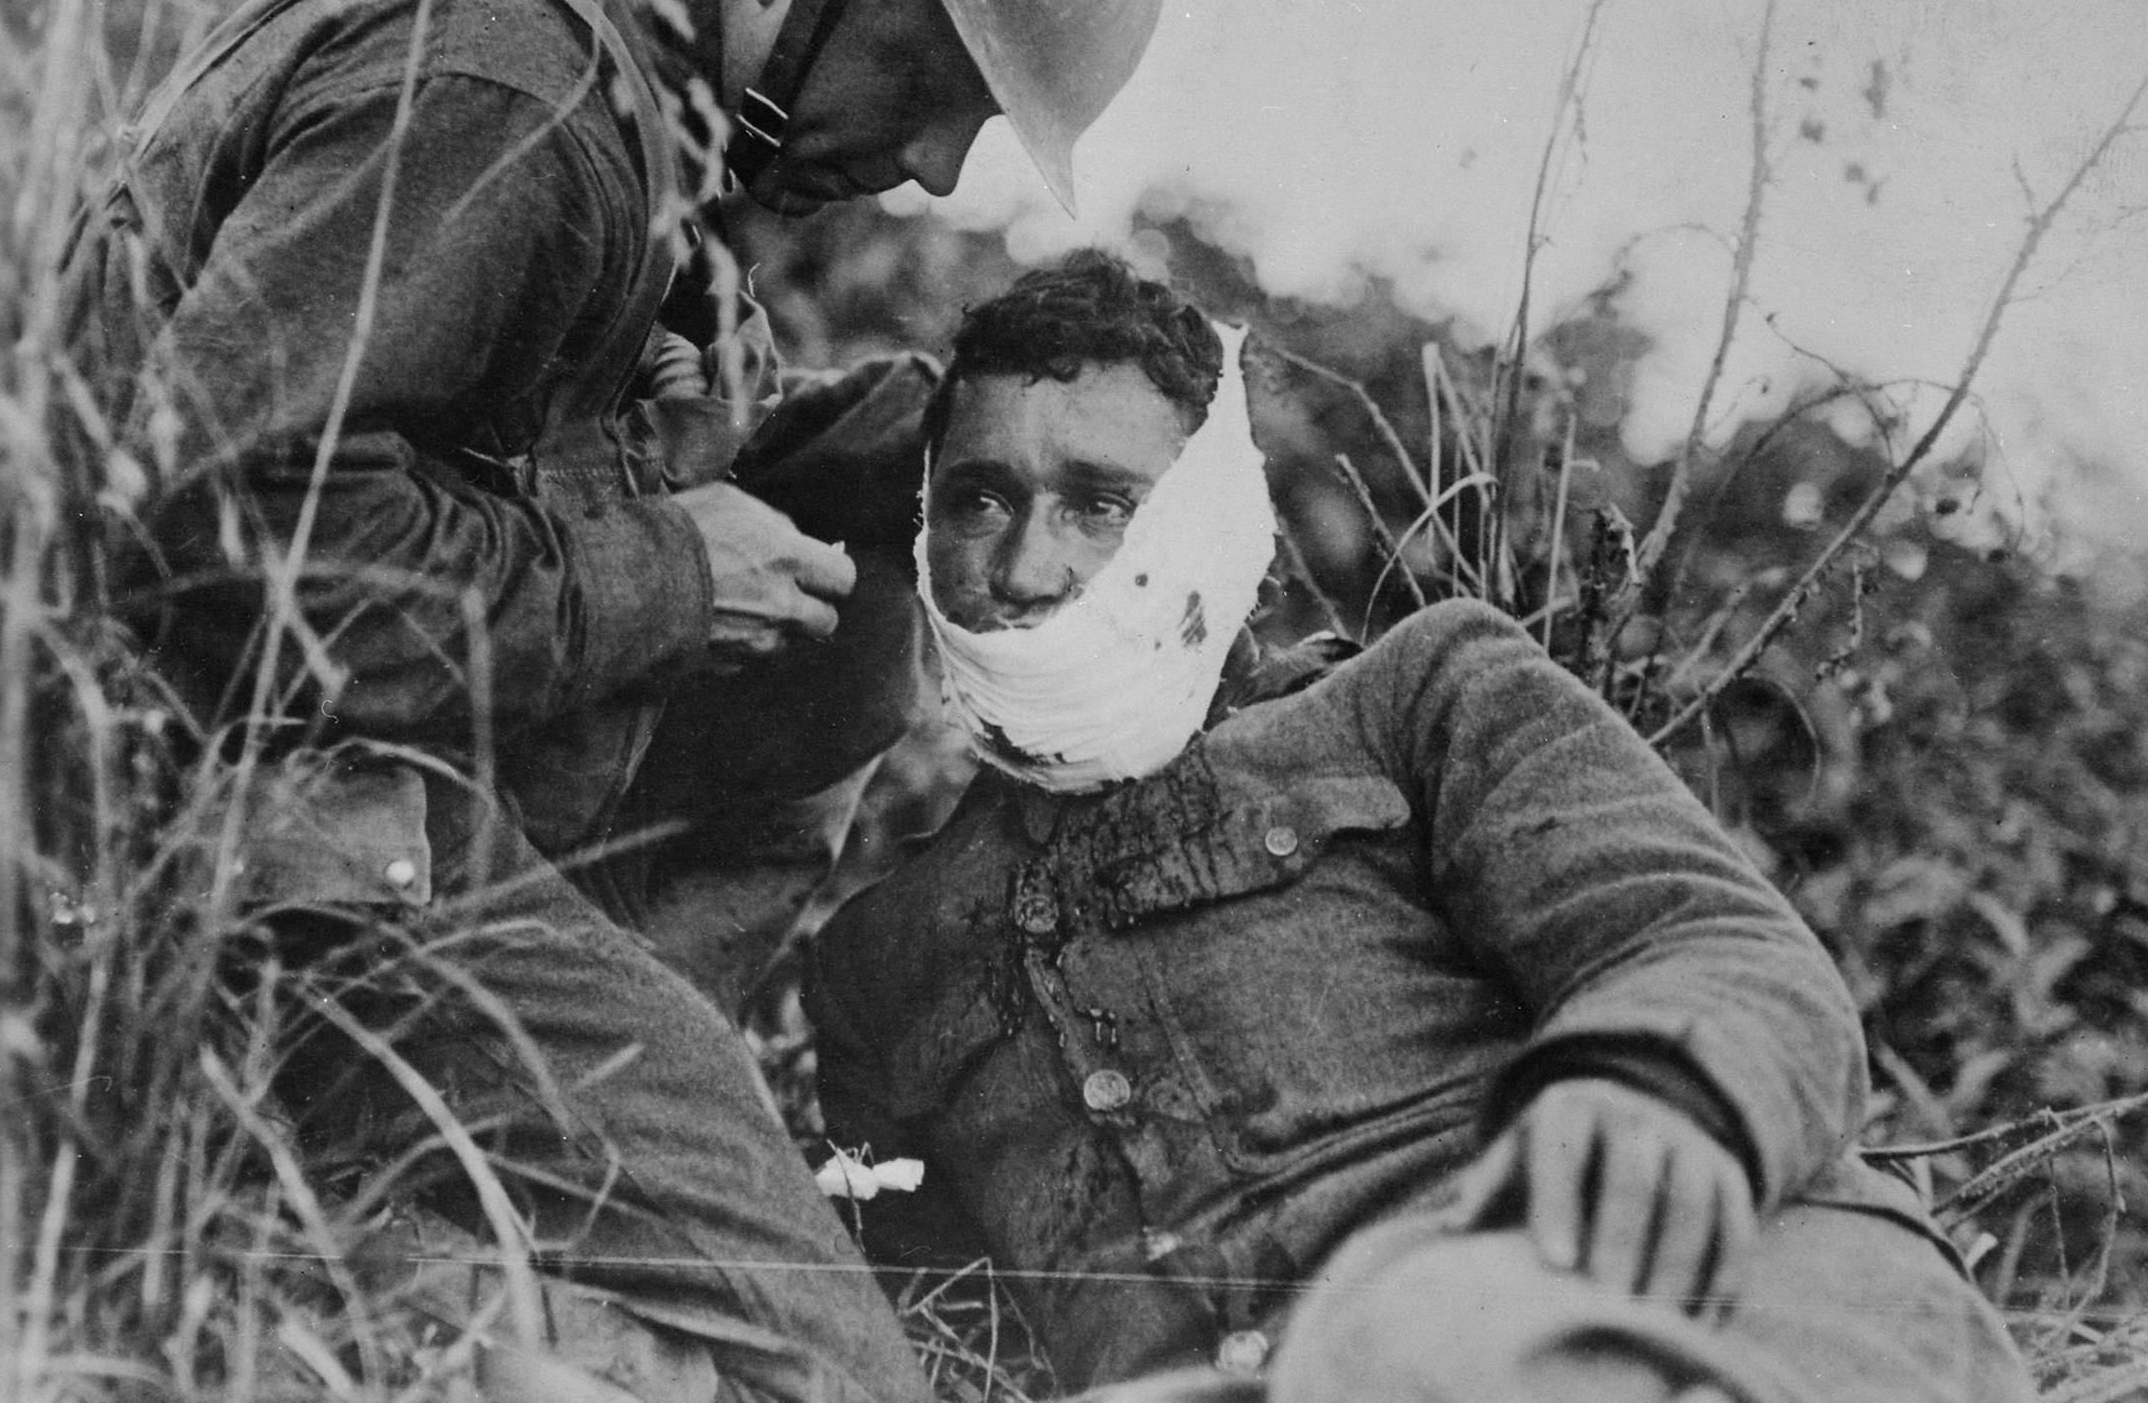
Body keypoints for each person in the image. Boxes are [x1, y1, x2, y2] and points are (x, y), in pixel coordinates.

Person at [61, 0, 1164, 1399]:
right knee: (826, 1363)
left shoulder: (611, 46)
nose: (935, 166)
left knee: (860, 615)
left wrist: (764, 443)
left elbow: (406, 432)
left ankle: (476, 1155)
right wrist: (661, 570)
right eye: (930, 83)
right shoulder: (528, 82)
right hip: (206, 815)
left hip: (287, 775)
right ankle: (378, 1172)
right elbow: (214, 535)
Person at [804, 252, 2039, 1403]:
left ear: (1208, 521)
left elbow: (1712, 945)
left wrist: (1656, 1095)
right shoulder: (877, 964)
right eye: (978, 501)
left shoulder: (1418, 696)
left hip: (1632, 1289)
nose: (1025, 569)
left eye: (1098, 503)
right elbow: (940, 1326)